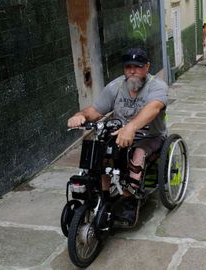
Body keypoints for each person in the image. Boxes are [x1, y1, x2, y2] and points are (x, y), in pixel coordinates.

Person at [67, 48, 168, 224]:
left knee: (137, 154)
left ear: (147, 67)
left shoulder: (157, 86)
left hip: (150, 136)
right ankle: (104, 196)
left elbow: (153, 108)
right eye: (128, 67)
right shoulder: (116, 86)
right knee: (100, 149)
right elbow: (94, 111)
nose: (132, 71)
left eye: (137, 66)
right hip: (120, 134)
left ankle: (130, 200)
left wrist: (131, 127)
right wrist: (79, 115)